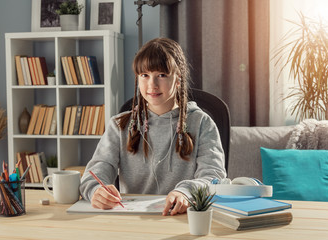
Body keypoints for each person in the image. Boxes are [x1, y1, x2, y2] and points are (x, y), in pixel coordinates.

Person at [80, 37, 226, 216]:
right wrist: (96, 190)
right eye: (145, 75)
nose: (152, 85)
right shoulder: (119, 126)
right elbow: (95, 173)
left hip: (184, 217)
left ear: (178, 79)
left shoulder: (202, 123)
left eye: (162, 75)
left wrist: (185, 192)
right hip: (129, 220)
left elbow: (214, 176)